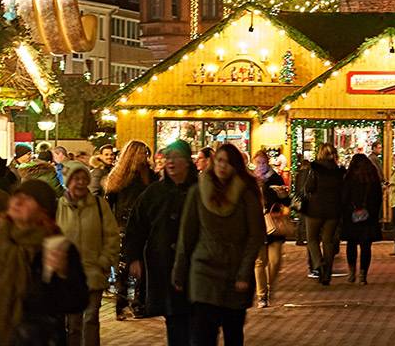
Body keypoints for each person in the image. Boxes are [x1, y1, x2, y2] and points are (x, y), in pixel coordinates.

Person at [0, 180, 90, 346]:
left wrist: (62, 274)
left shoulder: (57, 246)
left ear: (43, 211)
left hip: (41, 339)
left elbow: (78, 301)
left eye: (28, 199)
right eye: (17, 196)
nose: (18, 202)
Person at [172, 143, 264, 346]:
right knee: (202, 334)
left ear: (237, 167)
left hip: (234, 272)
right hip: (204, 270)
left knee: (233, 332)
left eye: (228, 163)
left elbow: (255, 235)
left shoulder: (246, 194)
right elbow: (187, 234)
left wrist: (244, 272)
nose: (223, 166)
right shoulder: (198, 191)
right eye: (219, 160)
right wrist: (179, 270)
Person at [123, 139, 198, 346]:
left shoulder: (200, 191)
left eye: (176, 158)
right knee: (173, 319)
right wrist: (134, 257)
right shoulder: (154, 193)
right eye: (168, 158)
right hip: (163, 265)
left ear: (187, 162)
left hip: (196, 267)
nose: (171, 162)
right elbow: (136, 227)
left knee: (196, 322)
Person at [56, 161, 119, 346]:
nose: (81, 182)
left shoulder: (99, 206)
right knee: (73, 323)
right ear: (68, 181)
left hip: (94, 271)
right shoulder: (58, 208)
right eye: (76, 178)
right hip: (69, 276)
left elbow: (111, 236)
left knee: (91, 319)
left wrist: (104, 261)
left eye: (84, 178)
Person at [104, 140, 153, 319]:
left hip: (145, 225)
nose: (145, 157)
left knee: (144, 265)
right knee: (124, 267)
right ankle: (121, 304)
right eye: (142, 153)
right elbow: (110, 202)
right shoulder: (121, 176)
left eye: (146, 154)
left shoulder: (150, 175)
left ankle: (140, 303)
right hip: (124, 225)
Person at [302, 142, 344, 284]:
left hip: (314, 209)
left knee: (312, 239)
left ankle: (319, 264)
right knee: (328, 241)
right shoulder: (338, 171)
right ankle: (327, 274)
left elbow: (308, 187)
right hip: (333, 211)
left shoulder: (314, 168)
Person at [252, 149, 288, 307]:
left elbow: (286, 202)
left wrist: (283, 195)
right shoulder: (250, 180)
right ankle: (262, 296)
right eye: (258, 163)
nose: (261, 166)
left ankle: (269, 287)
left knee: (275, 261)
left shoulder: (275, 177)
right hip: (257, 223)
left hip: (274, 223)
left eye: (263, 163)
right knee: (259, 262)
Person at [341, 153, 383, 284]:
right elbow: (378, 199)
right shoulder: (373, 179)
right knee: (366, 246)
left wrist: (347, 211)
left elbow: (344, 198)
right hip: (368, 216)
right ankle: (363, 274)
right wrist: (373, 213)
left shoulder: (349, 178)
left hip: (351, 216)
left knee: (351, 244)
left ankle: (352, 272)